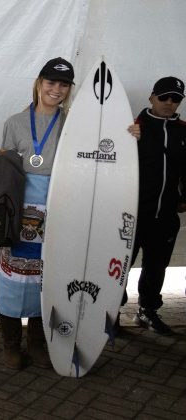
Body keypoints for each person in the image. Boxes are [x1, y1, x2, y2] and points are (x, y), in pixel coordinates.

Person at [0, 57, 75, 370]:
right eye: (50, 82)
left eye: (63, 84)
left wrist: (128, 133)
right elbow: (4, 168)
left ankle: (38, 343)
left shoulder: (74, 123)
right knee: (14, 281)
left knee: (48, 279)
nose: (56, 89)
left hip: (57, 210)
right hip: (19, 213)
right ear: (39, 83)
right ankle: (11, 346)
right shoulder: (15, 123)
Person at [127, 76, 186, 335]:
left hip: (165, 216)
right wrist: (123, 136)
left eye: (176, 99)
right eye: (164, 97)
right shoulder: (131, 128)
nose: (169, 102)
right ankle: (109, 315)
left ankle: (147, 311)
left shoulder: (184, 131)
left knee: (156, 266)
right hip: (132, 215)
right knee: (120, 265)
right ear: (152, 97)